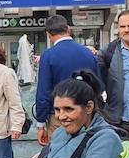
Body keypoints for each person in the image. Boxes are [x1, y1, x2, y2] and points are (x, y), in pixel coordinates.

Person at [38, 70, 123, 158]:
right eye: (57, 110)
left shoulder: (106, 139)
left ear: (88, 107)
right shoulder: (60, 132)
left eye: (69, 109)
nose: (61, 116)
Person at [33, 15, 102, 147]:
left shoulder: (48, 56)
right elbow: (99, 86)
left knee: (60, 157)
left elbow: (43, 92)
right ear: (68, 29)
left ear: (48, 34)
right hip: (86, 115)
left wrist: (41, 124)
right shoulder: (88, 53)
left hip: (60, 117)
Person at [97, 10, 129, 141]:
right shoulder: (109, 51)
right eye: (122, 26)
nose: (126, 30)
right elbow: (94, 76)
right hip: (116, 120)